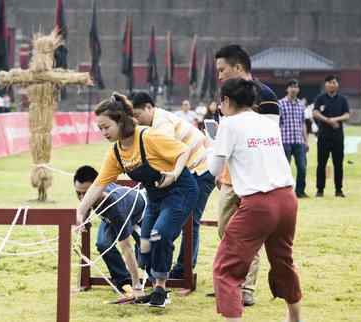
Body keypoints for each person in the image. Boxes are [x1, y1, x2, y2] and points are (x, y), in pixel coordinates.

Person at [76, 93, 198, 308]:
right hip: (154, 197)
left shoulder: (148, 136)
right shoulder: (116, 152)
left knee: (159, 235)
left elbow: (183, 150)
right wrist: (80, 212)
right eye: (100, 129)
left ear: (121, 121)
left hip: (180, 190)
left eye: (106, 127)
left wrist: (175, 174)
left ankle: (160, 289)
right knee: (145, 245)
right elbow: (98, 185)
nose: (103, 133)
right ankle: (151, 283)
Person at [208, 78, 302, 322]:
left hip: (258, 203)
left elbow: (214, 169)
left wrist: (214, 142)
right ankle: (295, 318)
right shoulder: (268, 122)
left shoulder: (228, 125)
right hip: (287, 199)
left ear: (227, 101)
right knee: (283, 261)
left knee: (226, 268)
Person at [212, 44, 281, 306]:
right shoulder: (225, 95)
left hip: (255, 179)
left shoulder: (267, 96)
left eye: (222, 70)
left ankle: (245, 289)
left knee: (249, 234)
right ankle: (231, 280)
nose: (219, 76)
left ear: (238, 68)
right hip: (229, 175)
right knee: (225, 230)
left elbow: (271, 138)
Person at [130, 91, 215, 278]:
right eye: (133, 117)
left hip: (201, 170)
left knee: (190, 220)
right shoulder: (154, 121)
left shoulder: (162, 124)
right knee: (174, 219)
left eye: (137, 115)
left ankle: (183, 268)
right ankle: (158, 263)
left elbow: (166, 153)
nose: (136, 120)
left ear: (149, 107)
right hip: (188, 171)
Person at [73, 165, 146, 295]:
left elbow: (126, 249)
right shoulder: (95, 189)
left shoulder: (116, 207)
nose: (82, 198)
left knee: (145, 257)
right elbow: (85, 204)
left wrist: (137, 286)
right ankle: (123, 281)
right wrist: (82, 220)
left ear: (96, 188)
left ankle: (139, 281)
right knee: (103, 244)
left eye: (86, 193)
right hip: (112, 216)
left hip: (139, 214)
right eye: (78, 193)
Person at [313, 75, 350, 198]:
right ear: (326, 85)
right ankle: (320, 190)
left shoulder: (342, 99)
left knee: (338, 163)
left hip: (338, 137)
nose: (332, 85)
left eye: (334, 82)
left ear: (337, 85)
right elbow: (315, 112)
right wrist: (328, 120)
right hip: (323, 136)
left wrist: (335, 119)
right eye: (329, 82)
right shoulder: (320, 98)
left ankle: (338, 190)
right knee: (321, 164)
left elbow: (347, 115)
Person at [279, 79, 309, 198]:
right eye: (291, 87)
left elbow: (303, 124)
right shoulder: (280, 104)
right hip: (285, 141)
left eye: (296, 87)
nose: (293, 89)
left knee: (302, 167)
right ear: (287, 89)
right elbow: (277, 123)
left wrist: (306, 141)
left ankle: (300, 191)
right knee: (284, 169)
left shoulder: (301, 105)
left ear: (298, 89)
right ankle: (284, 193)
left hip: (299, 141)